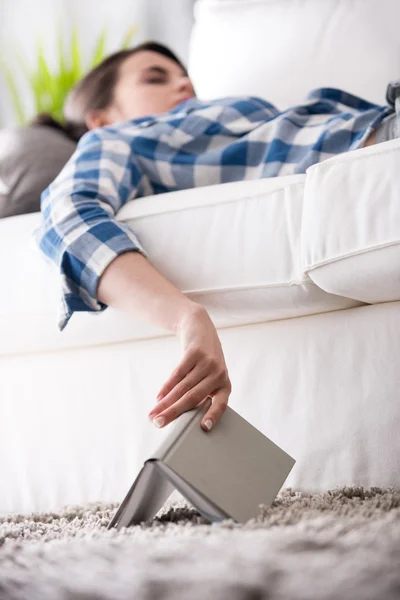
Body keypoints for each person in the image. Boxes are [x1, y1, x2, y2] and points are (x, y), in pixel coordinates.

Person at [32, 41, 400, 434]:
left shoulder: (232, 114)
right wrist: (186, 317)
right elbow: (68, 218)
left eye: (184, 76)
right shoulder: (116, 140)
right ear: (101, 119)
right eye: (156, 78)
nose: (183, 84)